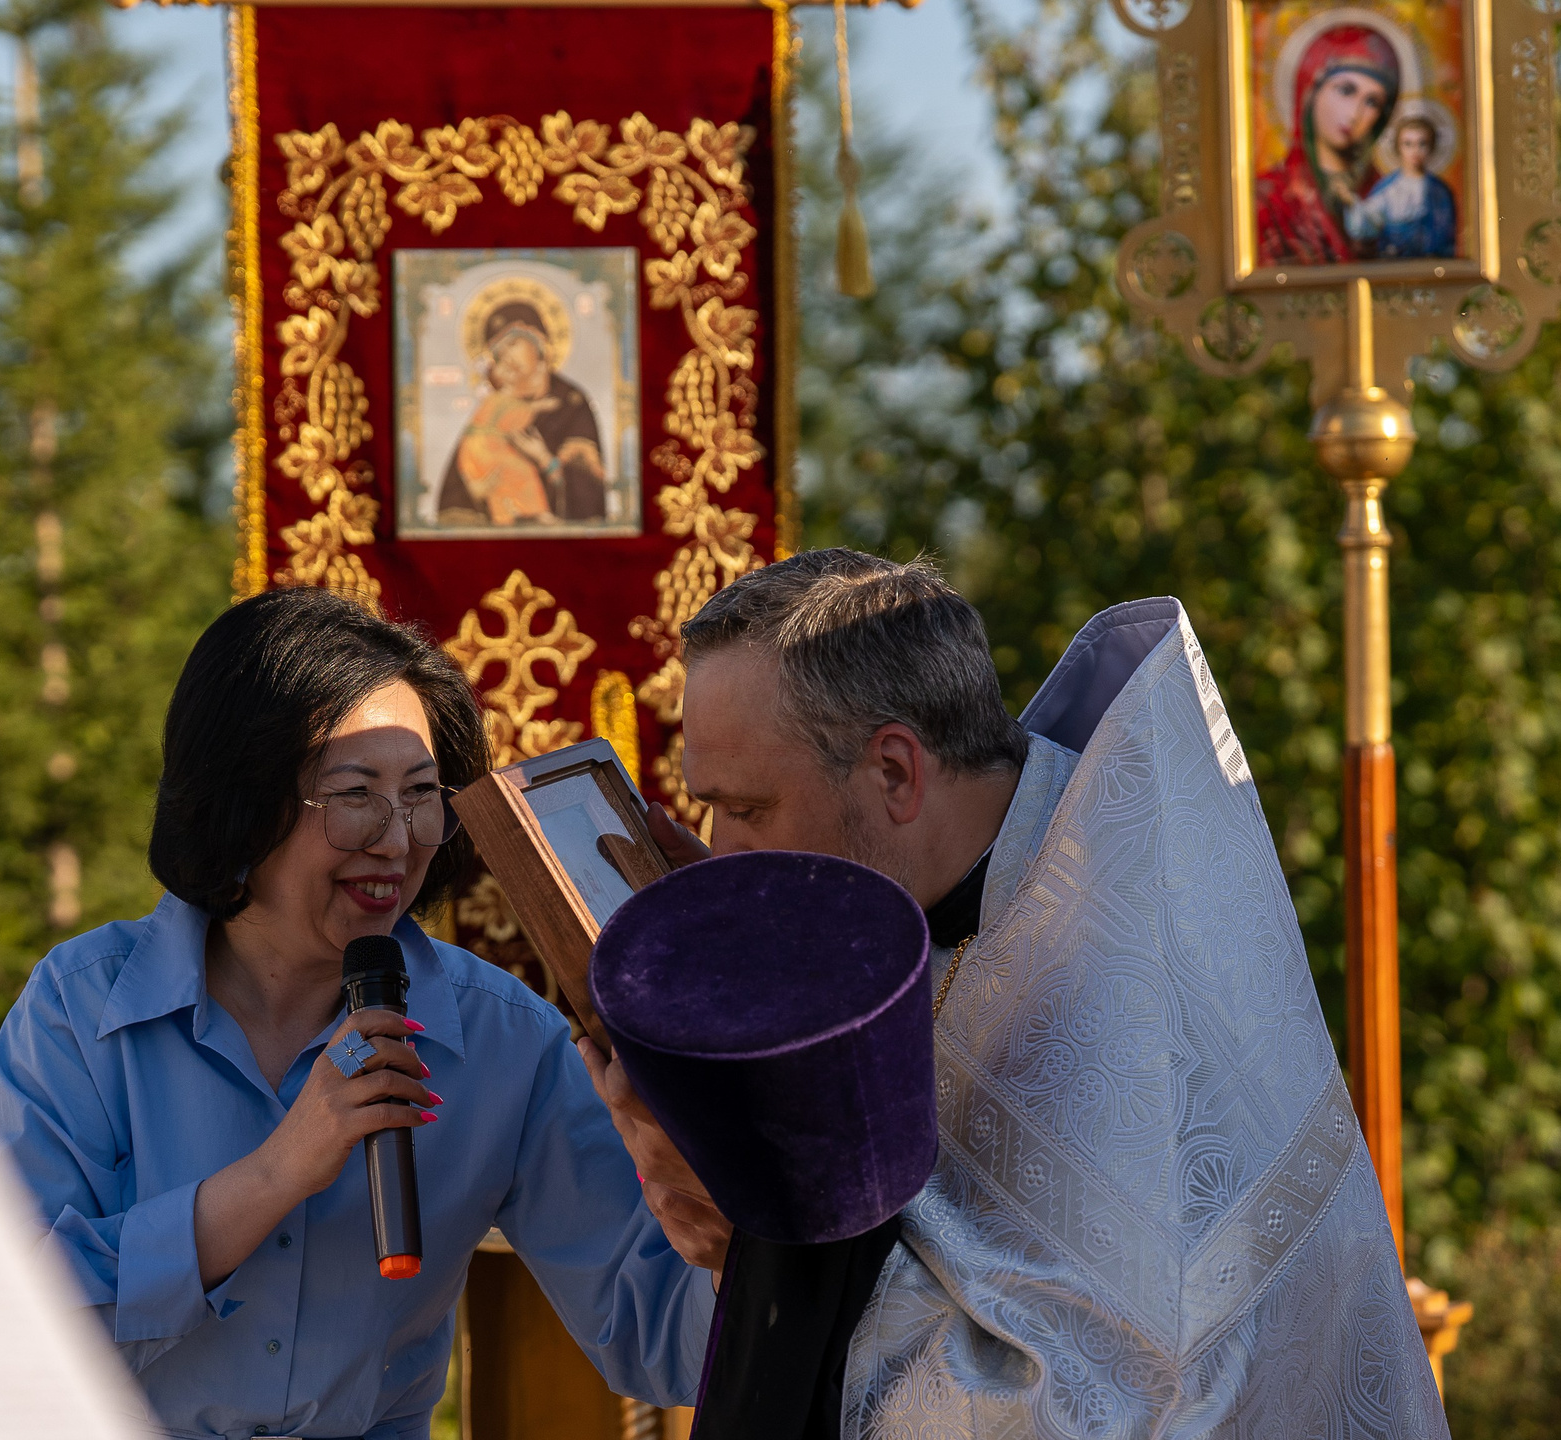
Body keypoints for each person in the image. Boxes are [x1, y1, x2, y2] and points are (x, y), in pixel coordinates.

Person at [583, 550, 1449, 1437]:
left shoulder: (1125, 982)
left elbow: (1086, 1406)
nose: (718, 852)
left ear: (894, 772)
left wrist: (768, 1241)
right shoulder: (947, 894)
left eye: (750, 810)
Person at [0, 587, 710, 1440]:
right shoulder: (80, 1007)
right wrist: (275, 1173)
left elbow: (662, 1337)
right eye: (356, 792)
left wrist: (727, 1180)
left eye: (421, 794)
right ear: (241, 797)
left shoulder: (505, 1039)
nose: (396, 840)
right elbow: (8, 1329)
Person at [434, 301, 609, 526]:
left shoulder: (572, 404)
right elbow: (454, 499)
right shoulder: (494, 406)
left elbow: (589, 499)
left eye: (513, 343)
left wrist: (545, 460)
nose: (506, 357)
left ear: (540, 344)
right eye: (498, 353)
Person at [1254, 23, 1402, 266]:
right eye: (1345, 91)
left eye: (1372, 102)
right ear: (1310, 91)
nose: (1355, 114)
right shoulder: (1268, 200)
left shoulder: (1388, 196)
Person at [1349, 113, 1459, 259]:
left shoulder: (1440, 191)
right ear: (1398, 147)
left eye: (1422, 143)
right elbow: (1366, 227)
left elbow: (1446, 236)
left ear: (1431, 146)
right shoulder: (1387, 188)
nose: (1415, 150)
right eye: (1408, 144)